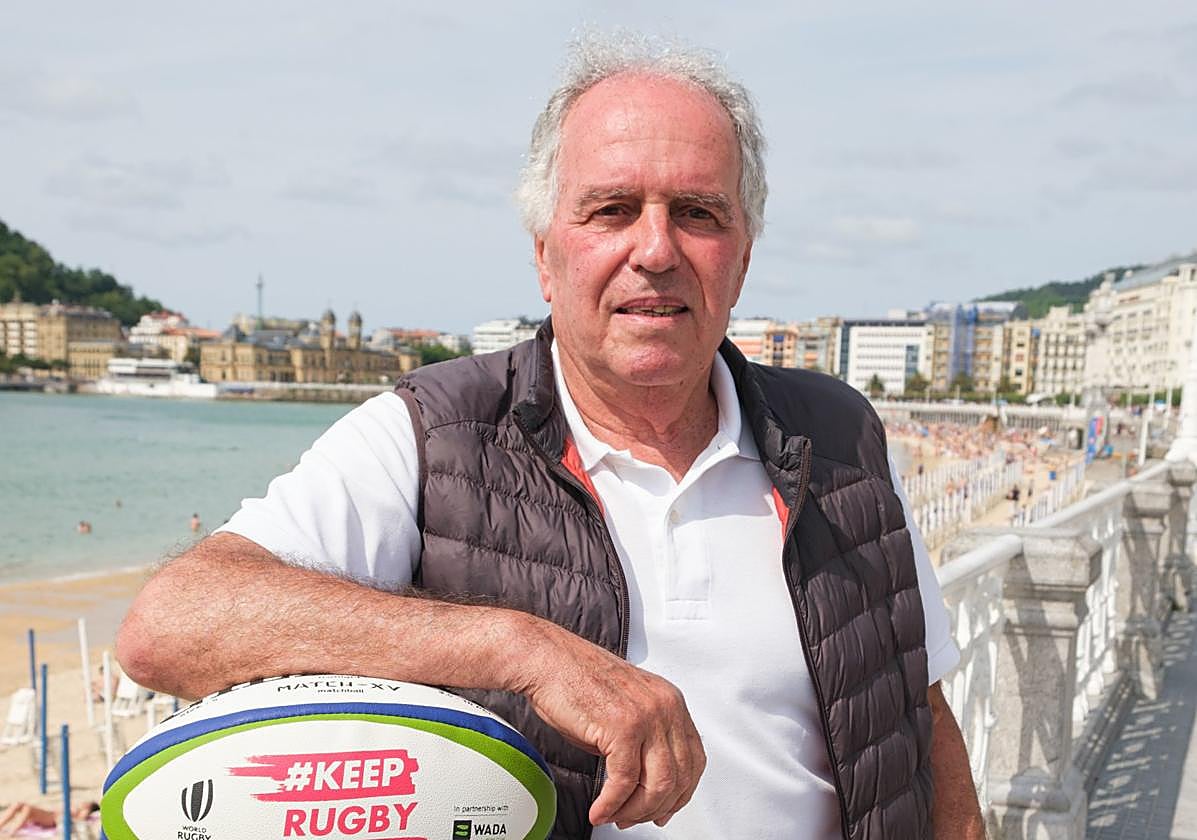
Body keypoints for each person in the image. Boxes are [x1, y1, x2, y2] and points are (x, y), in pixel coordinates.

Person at [116, 33, 983, 839]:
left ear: (742, 255)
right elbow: (170, 629)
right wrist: (518, 649)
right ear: (543, 254)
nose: (655, 250)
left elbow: (920, 716)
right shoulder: (433, 436)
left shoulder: (839, 438)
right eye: (610, 210)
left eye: (697, 213)